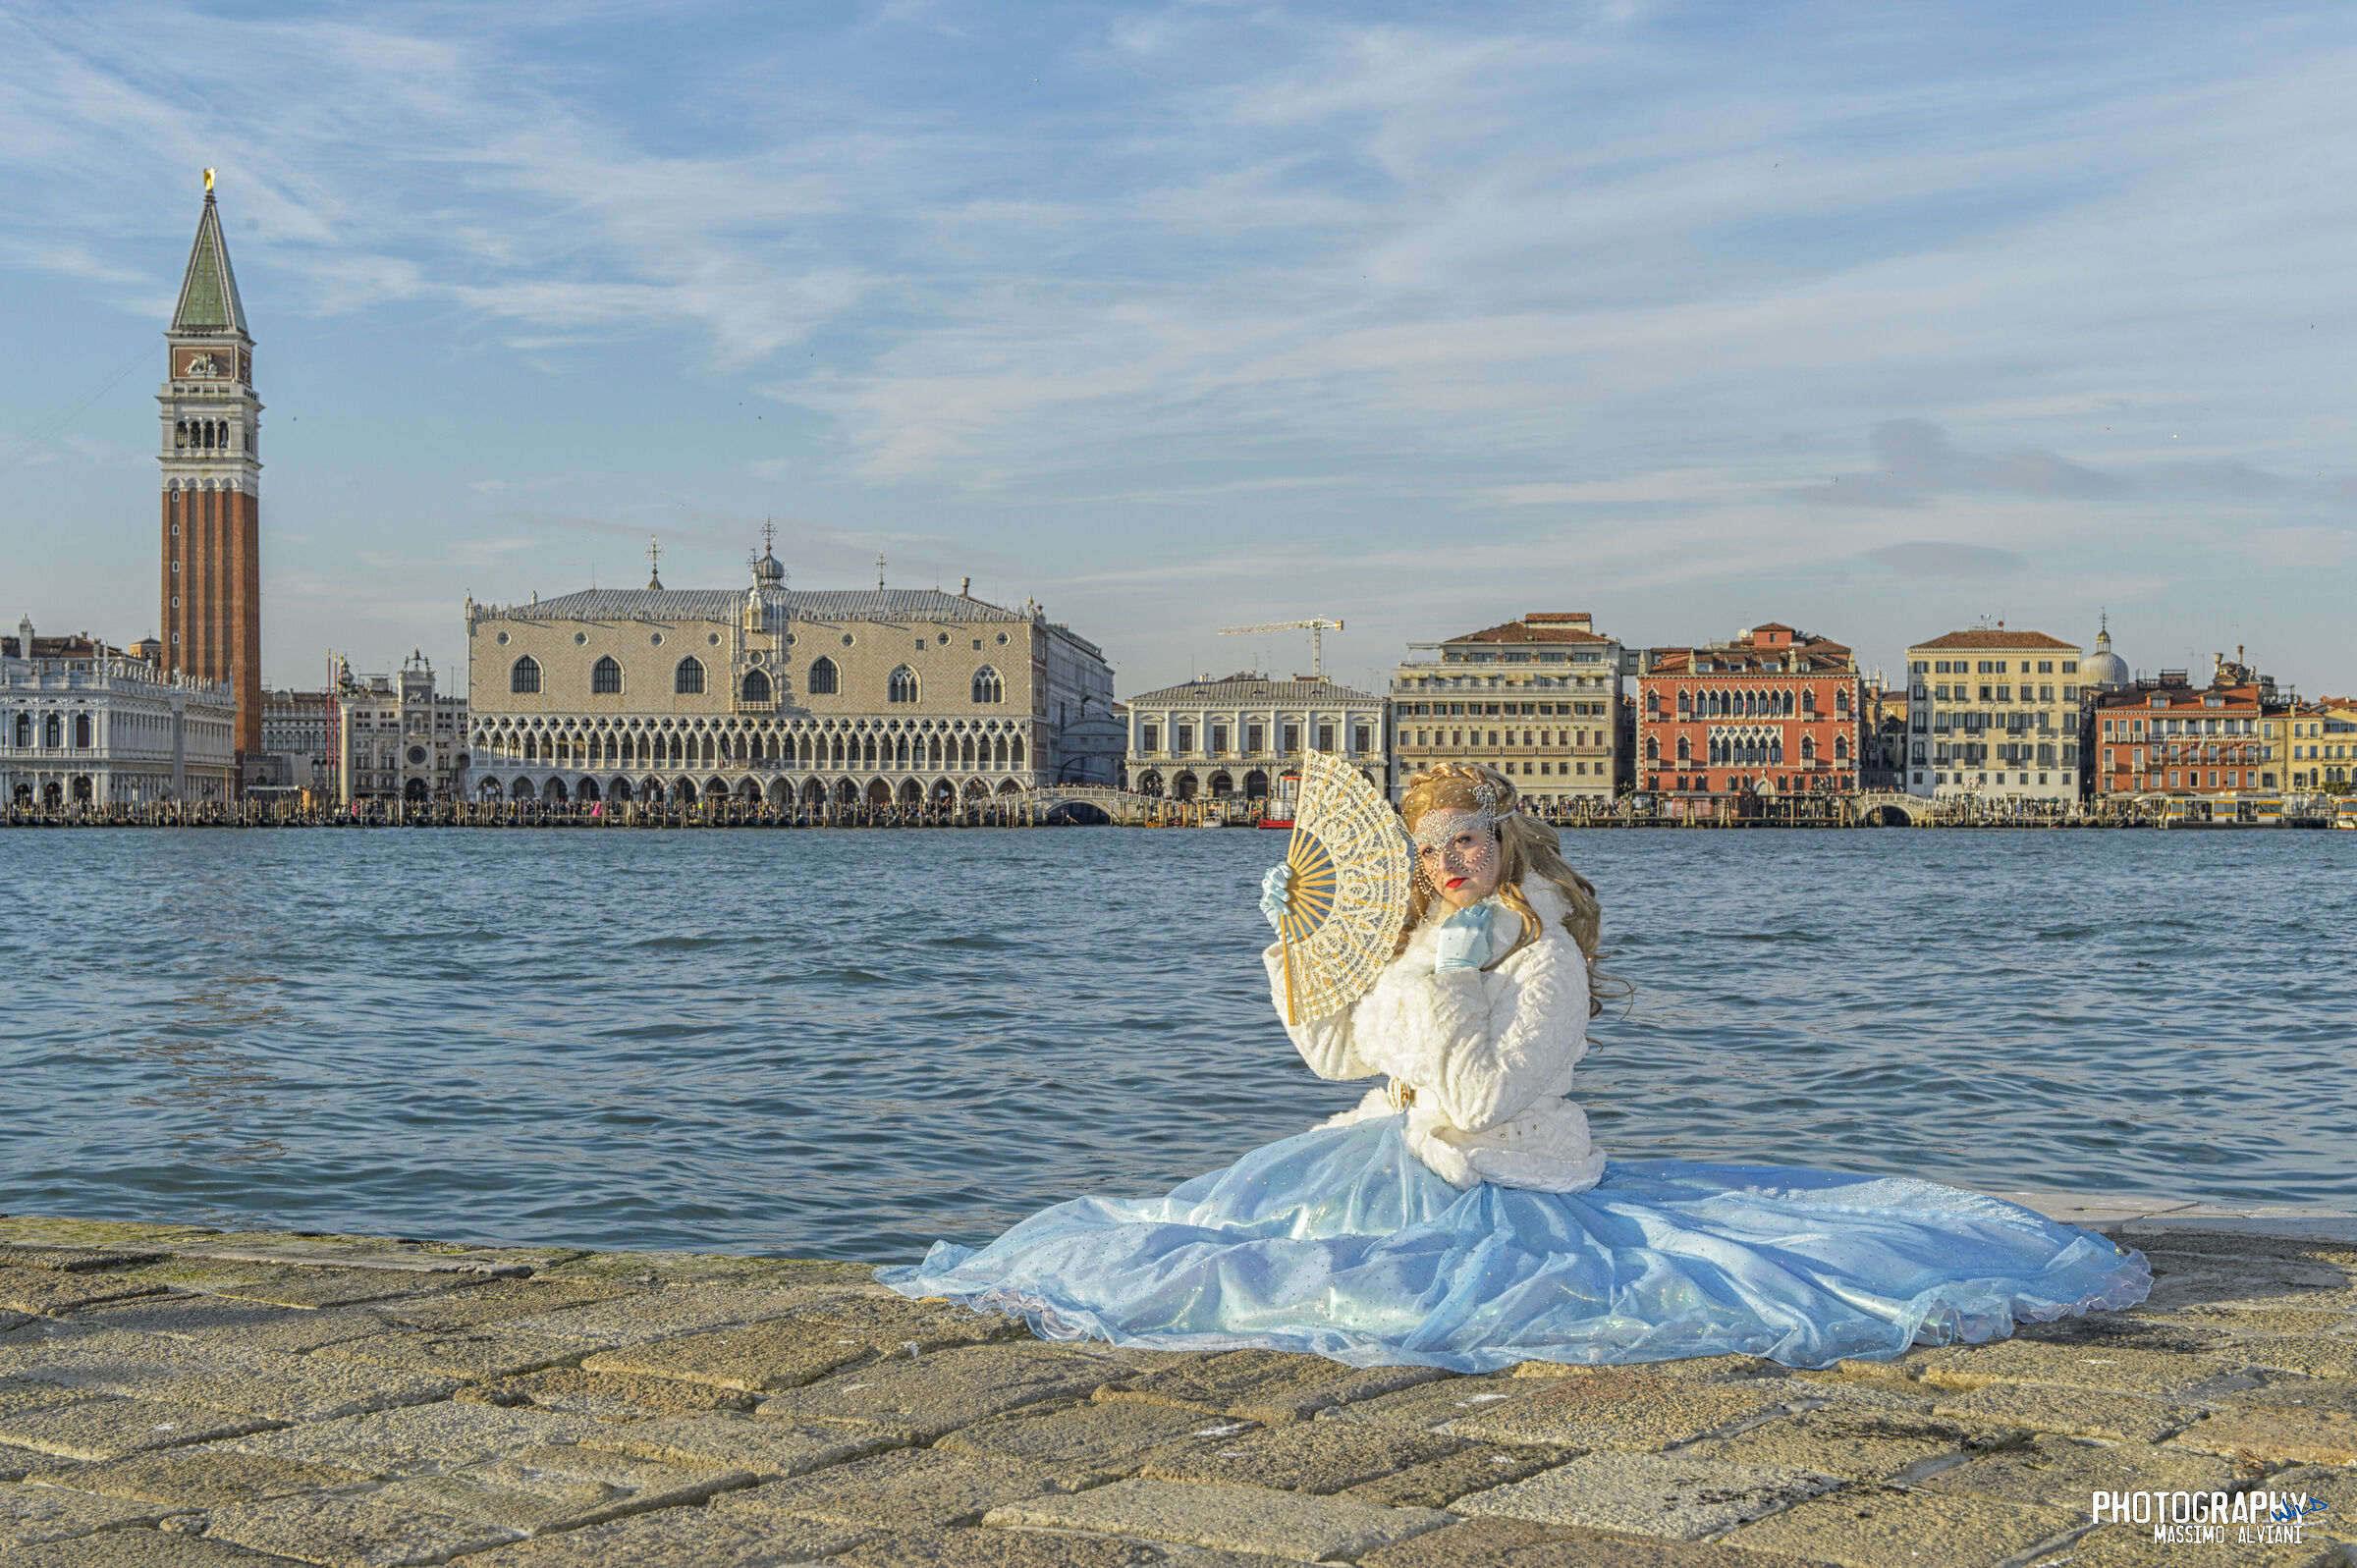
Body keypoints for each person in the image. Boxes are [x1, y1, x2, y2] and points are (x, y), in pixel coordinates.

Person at [879, 763, 2149, 1372]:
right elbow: (1336, 1053)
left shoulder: (1547, 961)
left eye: (1466, 842)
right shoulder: (1423, 936)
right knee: (1200, 1240)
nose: (1446, 865)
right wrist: (1295, 940)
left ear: (1505, 840)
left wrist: (1444, 974)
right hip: (1380, 1152)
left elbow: (1486, 1098)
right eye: (1430, 847)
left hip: (1503, 1181)